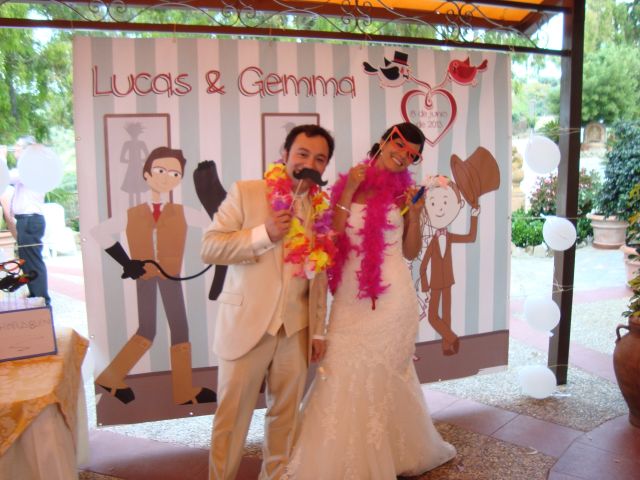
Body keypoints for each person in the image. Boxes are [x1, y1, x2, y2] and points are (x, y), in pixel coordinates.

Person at [285, 122, 456, 479]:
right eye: (399, 144)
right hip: (350, 297)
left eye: (413, 154)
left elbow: (410, 252)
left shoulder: (405, 194)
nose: (403, 155)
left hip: (393, 301)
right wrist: (347, 193)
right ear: (383, 140)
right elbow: (331, 237)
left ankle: (379, 457)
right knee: (341, 368)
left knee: (382, 375)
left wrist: (416, 215)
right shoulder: (350, 180)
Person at [201, 124, 334, 480]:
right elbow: (210, 246)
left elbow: (318, 278)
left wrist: (318, 331)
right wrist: (265, 234)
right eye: (303, 154)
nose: (309, 163)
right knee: (230, 422)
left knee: (285, 421)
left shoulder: (321, 211)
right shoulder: (247, 192)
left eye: (319, 159)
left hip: (296, 330)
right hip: (246, 324)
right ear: (286, 155)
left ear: (324, 168)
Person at [91, 147, 216, 405]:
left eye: (174, 173)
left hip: (171, 276)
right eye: (160, 170)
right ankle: (113, 377)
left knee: (178, 328)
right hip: (145, 276)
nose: (166, 177)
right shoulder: (133, 214)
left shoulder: (182, 211)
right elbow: (99, 232)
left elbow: (215, 223)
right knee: (148, 330)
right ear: (147, 174)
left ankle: (177, 389)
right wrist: (127, 262)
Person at [420, 175, 480, 356]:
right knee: (432, 317)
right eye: (433, 203)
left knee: (447, 315)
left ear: (457, 205)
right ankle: (453, 337)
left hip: (449, 281)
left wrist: (474, 217)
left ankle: (447, 346)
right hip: (436, 283)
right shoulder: (431, 242)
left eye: (445, 202)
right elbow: (423, 266)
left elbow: (471, 237)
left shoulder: (451, 237)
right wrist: (425, 286)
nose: (439, 208)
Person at [8, 136, 50, 305]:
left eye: (17, 148)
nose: (15, 151)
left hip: (30, 220)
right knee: (28, 260)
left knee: (33, 260)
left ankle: (41, 298)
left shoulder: (30, 168)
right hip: (27, 221)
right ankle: (35, 295)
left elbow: (7, 178)